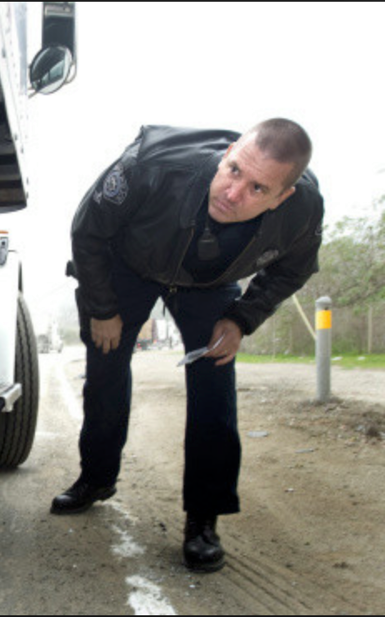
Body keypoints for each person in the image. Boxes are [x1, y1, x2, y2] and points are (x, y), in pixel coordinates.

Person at [51, 119, 323, 573]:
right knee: (105, 369)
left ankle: (204, 518)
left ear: (283, 197)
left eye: (258, 189)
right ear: (229, 151)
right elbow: (88, 231)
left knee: (215, 384)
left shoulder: (303, 210)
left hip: (209, 281)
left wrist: (241, 319)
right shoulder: (151, 164)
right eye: (234, 170)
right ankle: (96, 478)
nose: (233, 194)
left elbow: (293, 271)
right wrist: (102, 308)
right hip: (128, 267)